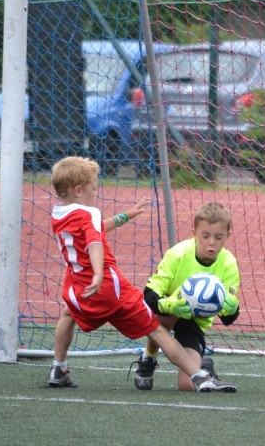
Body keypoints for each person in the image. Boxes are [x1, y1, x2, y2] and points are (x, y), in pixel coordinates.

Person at [46, 156, 236, 393]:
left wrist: (126, 215)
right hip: (108, 287)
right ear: (78, 190)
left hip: (77, 288)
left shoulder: (58, 215)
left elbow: (95, 229)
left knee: (67, 314)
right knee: (156, 328)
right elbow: (94, 240)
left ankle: (58, 367)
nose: (96, 193)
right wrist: (97, 273)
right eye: (94, 188)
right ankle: (199, 376)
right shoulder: (89, 213)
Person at [134, 201, 241, 392]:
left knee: (187, 386)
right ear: (194, 232)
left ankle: (204, 366)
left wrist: (232, 308)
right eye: (205, 235)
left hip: (195, 321)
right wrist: (169, 305)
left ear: (228, 236)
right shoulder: (177, 254)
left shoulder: (229, 263)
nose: (211, 242)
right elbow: (149, 295)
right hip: (168, 312)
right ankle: (149, 358)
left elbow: (228, 318)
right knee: (161, 318)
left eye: (218, 237)